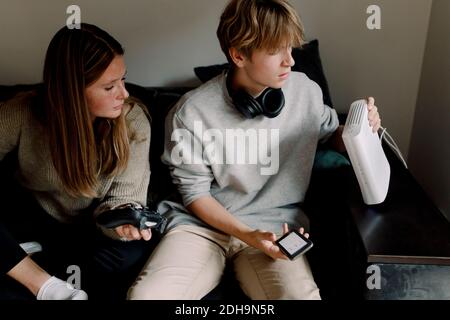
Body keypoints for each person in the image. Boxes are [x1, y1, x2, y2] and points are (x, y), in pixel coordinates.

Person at [128, 0, 381, 300]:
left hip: (274, 226)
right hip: (201, 228)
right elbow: (195, 195)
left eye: (291, 48)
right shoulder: (191, 112)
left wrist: (361, 129)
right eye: (276, 51)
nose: (290, 61)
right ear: (238, 55)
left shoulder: (305, 91)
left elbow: (329, 135)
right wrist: (247, 235)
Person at [0, 23, 154, 300]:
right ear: (71, 90)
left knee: (125, 257)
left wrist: (122, 220)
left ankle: (25, 266)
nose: (124, 94)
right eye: (110, 87)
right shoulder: (21, 113)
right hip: (34, 220)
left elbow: (124, 197)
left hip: (96, 229)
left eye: (123, 80)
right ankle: (47, 286)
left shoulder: (133, 121)